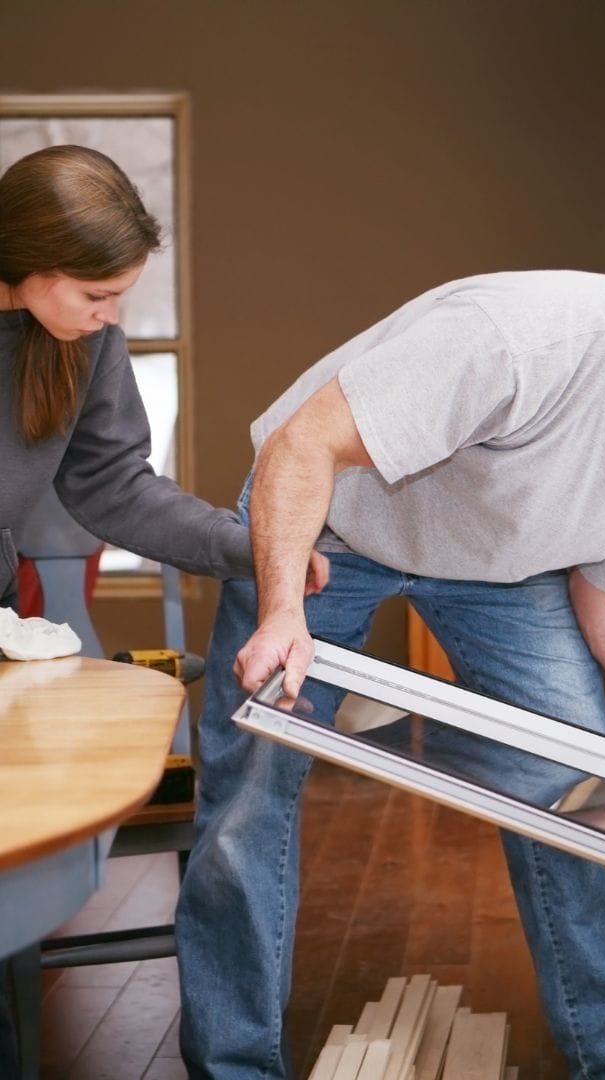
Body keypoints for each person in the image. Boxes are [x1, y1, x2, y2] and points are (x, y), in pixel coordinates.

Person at [177, 253, 605, 1079]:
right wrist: (284, 607)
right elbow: (304, 443)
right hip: (328, 528)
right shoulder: (518, 341)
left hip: (504, 567)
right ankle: (235, 1068)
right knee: (251, 790)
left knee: (582, 785)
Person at [0, 144, 326, 1074]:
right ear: (25, 258)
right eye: (98, 296)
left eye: (121, 299)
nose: (114, 319)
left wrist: (262, 549)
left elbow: (114, 487)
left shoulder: (79, 343)